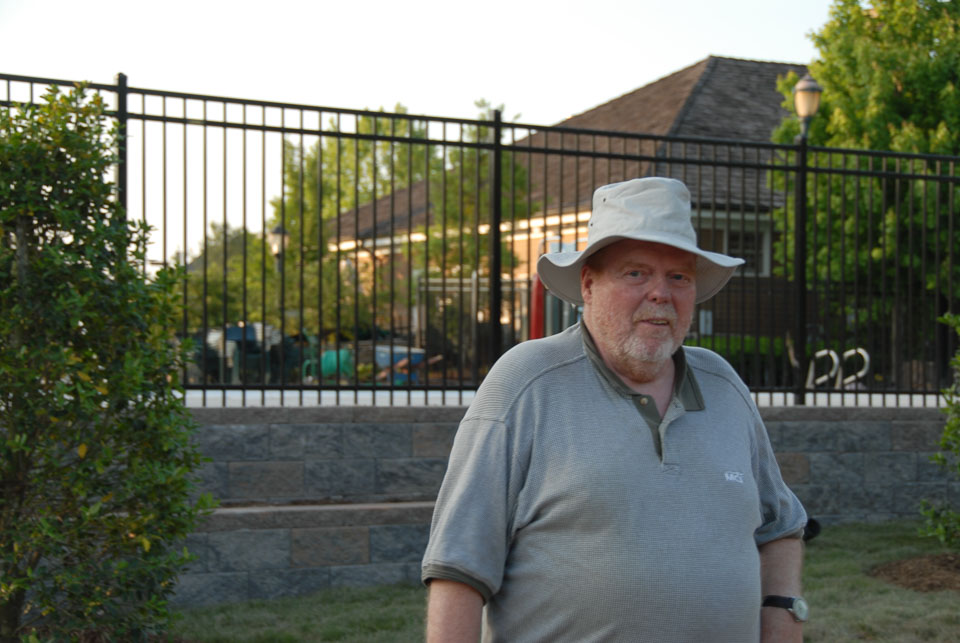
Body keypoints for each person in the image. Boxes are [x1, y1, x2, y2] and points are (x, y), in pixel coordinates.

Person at [421, 177, 808, 642]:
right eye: (636, 273)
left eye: (679, 277)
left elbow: (780, 524)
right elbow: (459, 566)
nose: (660, 293)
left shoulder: (723, 385)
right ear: (588, 285)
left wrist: (783, 613)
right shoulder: (527, 383)